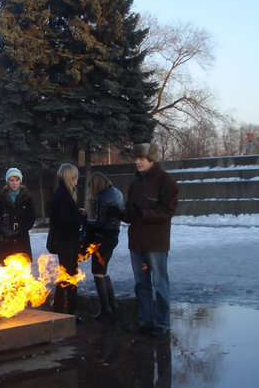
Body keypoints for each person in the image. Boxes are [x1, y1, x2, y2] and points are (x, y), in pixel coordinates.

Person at [123, 143, 179, 336]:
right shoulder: (135, 183)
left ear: (152, 160)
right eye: (136, 158)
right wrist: (121, 214)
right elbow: (131, 213)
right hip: (136, 243)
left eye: (142, 158)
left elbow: (167, 211)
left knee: (160, 283)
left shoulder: (166, 181)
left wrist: (144, 213)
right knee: (141, 283)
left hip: (156, 243)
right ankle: (145, 320)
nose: (138, 161)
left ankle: (162, 324)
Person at [48, 163, 87, 320]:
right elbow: (64, 221)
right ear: (70, 177)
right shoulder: (63, 194)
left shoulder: (63, 193)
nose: (77, 180)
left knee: (67, 274)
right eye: (75, 176)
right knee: (68, 274)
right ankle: (70, 309)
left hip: (67, 240)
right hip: (66, 241)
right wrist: (80, 218)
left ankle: (62, 307)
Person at [84, 172, 124, 320]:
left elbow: (100, 223)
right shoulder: (116, 192)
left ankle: (105, 308)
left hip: (104, 239)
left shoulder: (103, 198)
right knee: (104, 271)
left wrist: (85, 223)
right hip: (113, 236)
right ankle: (112, 304)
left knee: (98, 272)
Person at [0, 167, 36, 264]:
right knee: (7, 275)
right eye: (11, 180)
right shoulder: (0, 198)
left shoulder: (26, 198)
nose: (14, 183)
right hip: (5, 242)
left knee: (22, 274)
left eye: (17, 180)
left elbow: (31, 218)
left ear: (20, 181)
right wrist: (3, 229)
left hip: (22, 240)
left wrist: (20, 229)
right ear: (7, 182)